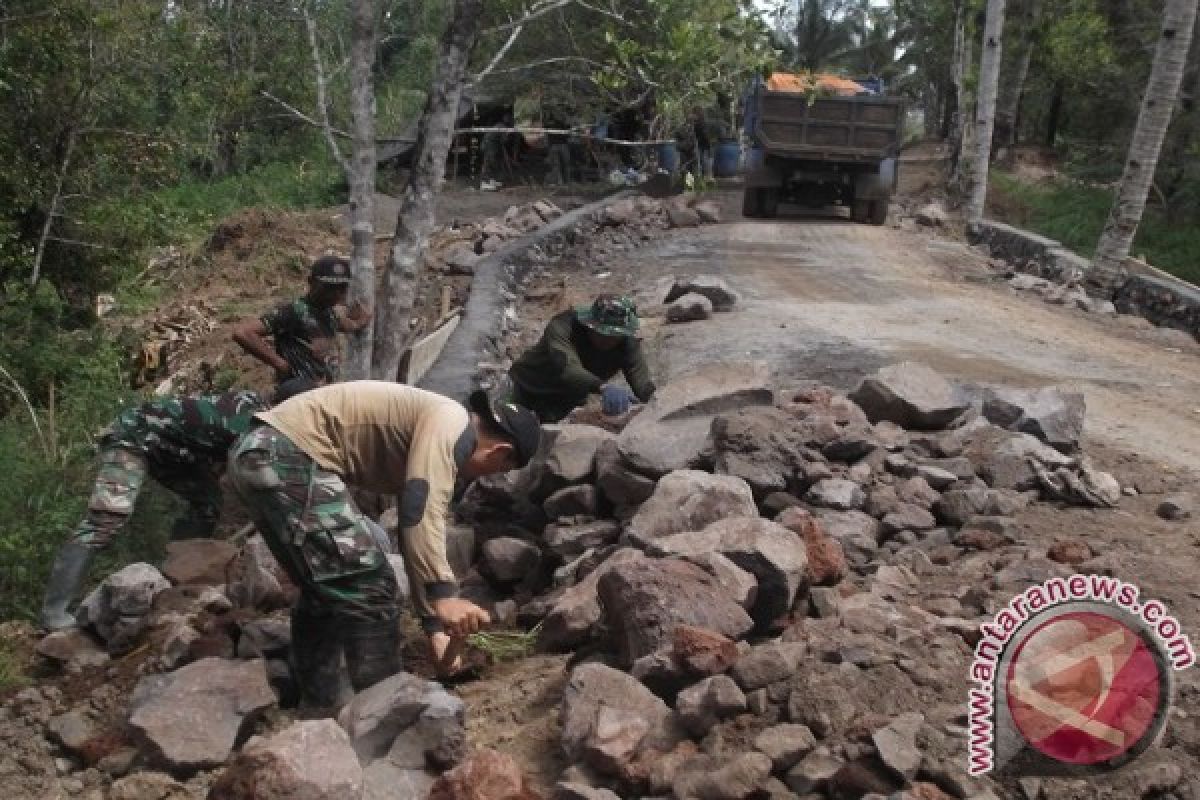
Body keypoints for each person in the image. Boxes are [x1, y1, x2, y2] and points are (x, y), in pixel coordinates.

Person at [226, 381, 542, 708]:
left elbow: (412, 530)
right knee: (373, 588)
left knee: (326, 589)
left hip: (259, 455)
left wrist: (433, 624)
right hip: (286, 456)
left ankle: (320, 706)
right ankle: (383, 715)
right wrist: (445, 596)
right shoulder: (452, 427)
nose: (483, 478)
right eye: (500, 469)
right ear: (501, 453)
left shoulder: (434, 427)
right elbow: (422, 512)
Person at [40, 388, 279, 631]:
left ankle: (177, 577)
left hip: (171, 449)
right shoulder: (252, 421)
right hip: (134, 435)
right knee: (105, 522)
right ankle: (54, 613)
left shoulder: (255, 406)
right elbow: (260, 481)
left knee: (207, 503)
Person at [232, 255, 371, 403]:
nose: (335, 294)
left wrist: (360, 322)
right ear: (311, 282)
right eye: (329, 287)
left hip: (324, 395)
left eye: (341, 289)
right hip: (299, 397)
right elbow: (243, 333)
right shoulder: (294, 311)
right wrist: (280, 364)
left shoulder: (328, 313)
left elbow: (343, 325)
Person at [506, 294, 656, 423]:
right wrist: (603, 387)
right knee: (504, 432)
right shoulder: (564, 326)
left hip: (567, 399)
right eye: (601, 333)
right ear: (590, 324)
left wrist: (656, 398)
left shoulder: (627, 344)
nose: (607, 340)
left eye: (614, 336)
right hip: (526, 387)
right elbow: (567, 367)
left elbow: (641, 379)